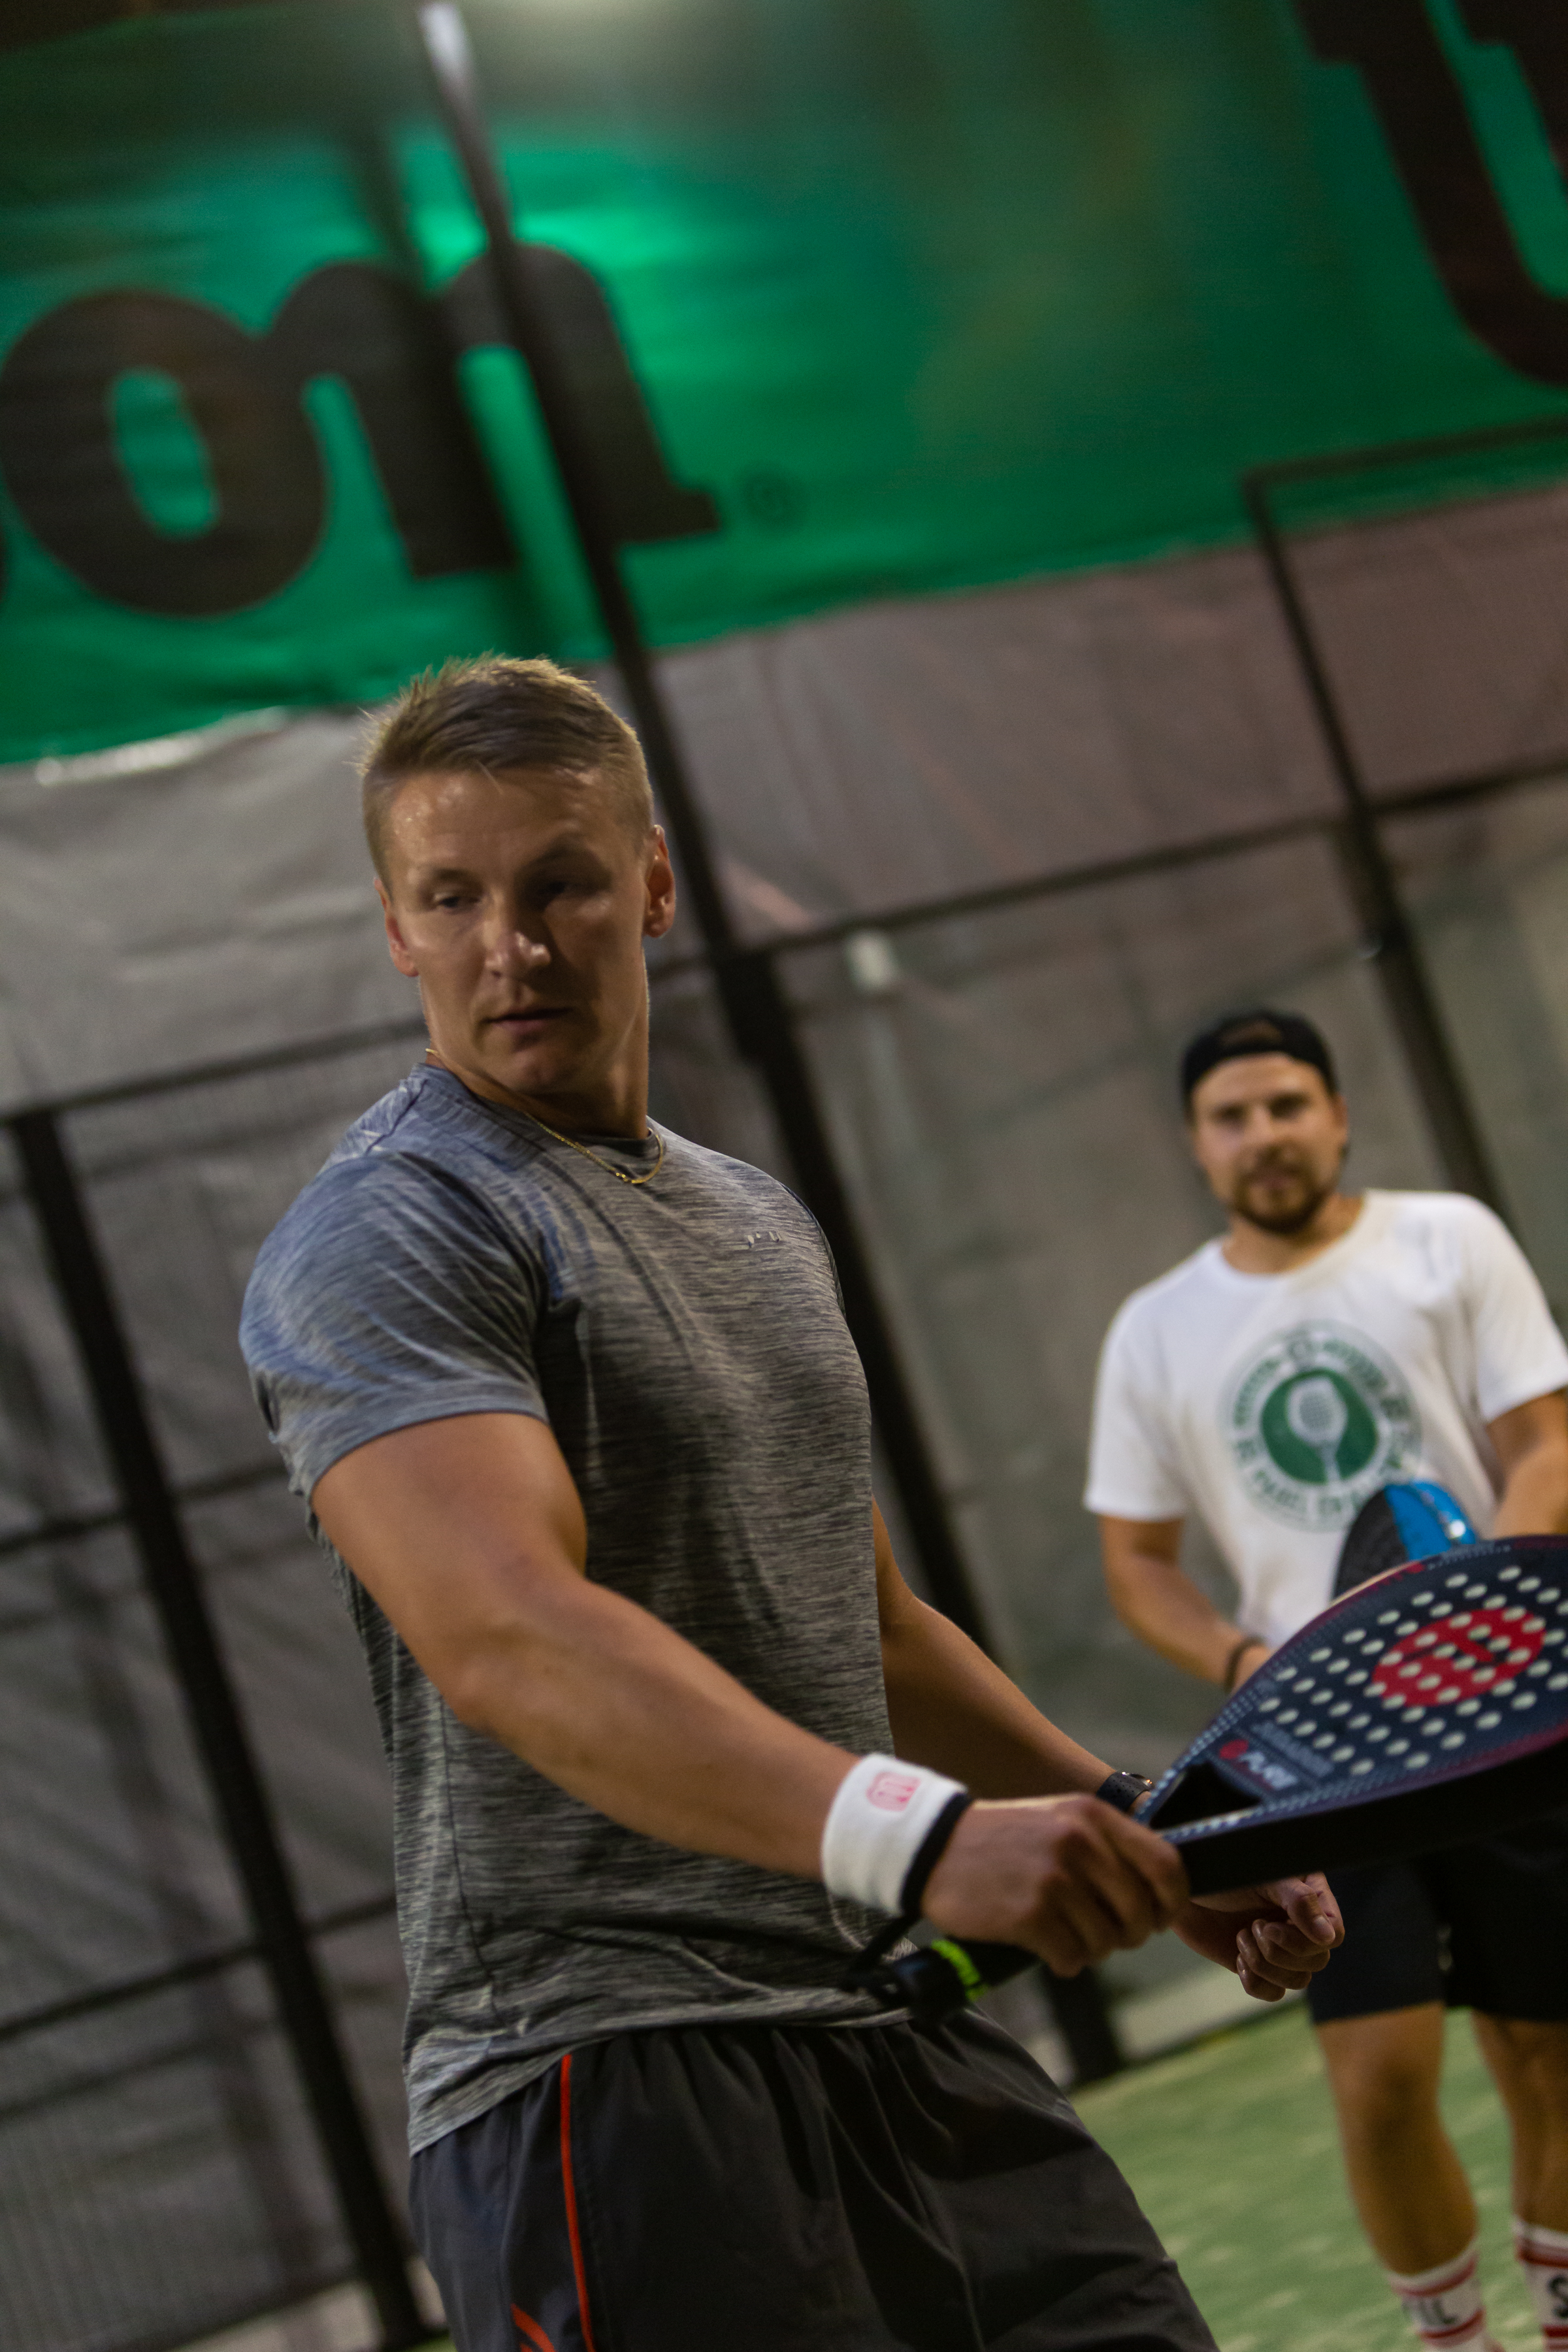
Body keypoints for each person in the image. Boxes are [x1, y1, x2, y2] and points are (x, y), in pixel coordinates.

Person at [241, 663, 1341, 2352]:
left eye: (559, 885)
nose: (509, 947)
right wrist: (932, 1841)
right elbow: (507, 1636)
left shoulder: (756, 1221)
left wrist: (1142, 1829)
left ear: (653, 886)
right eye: (451, 900)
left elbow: (871, 1629)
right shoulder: (391, 1231)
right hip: (606, 2077)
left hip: (884, 2019)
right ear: (396, 927)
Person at [1086, 1006, 1568, 2352]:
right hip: (1319, 1761)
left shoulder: (1449, 1241)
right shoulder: (1154, 1332)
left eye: (1289, 1105)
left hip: (1496, 1719)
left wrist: (1478, 1615)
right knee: (1380, 2077)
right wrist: (1254, 1663)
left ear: (1340, 1117)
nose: (1266, 1135)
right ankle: (1454, 2342)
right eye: (1233, 1116)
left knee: (1550, 2051)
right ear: (1197, 1145)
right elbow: (1137, 1567)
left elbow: (1544, 1446)